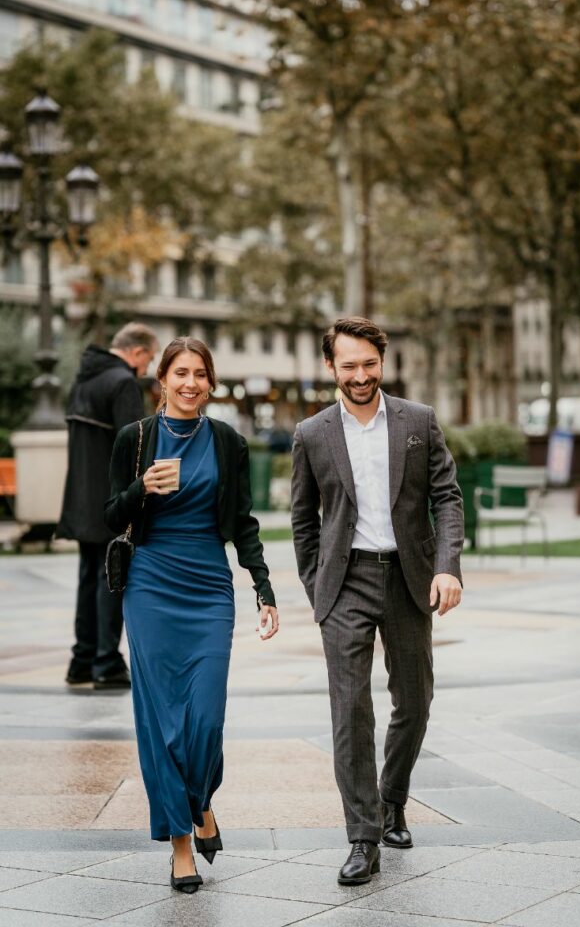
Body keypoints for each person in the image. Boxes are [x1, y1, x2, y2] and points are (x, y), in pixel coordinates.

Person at [291, 316, 464, 886]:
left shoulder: (418, 421)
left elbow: (447, 496)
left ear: (381, 362)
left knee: (414, 701)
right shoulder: (312, 433)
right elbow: (302, 519)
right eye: (349, 366)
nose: (360, 375)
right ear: (330, 367)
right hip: (345, 583)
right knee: (350, 712)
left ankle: (393, 799)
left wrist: (447, 567)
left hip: (409, 579)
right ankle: (363, 838)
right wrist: (318, 584)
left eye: (369, 364)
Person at [104, 336, 278, 894]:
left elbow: (244, 521)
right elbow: (108, 514)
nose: (190, 383)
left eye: (200, 374)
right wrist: (141, 489)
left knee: (204, 717)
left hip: (208, 585)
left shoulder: (227, 441)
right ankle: (182, 841)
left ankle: (200, 803)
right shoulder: (135, 439)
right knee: (162, 721)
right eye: (180, 372)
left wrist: (264, 588)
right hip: (151, 585)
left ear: (210, 381)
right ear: (161, 379)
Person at [57, 322, 159, 690]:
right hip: (111, 500)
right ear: (136, 352)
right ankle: (106, 662)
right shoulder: (123, 382)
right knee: (111, 579)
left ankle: (82, 660)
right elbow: (135, 444)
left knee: (89, 579)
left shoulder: (83, 380)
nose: (147, 369)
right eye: (148, 359)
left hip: (80, 498)